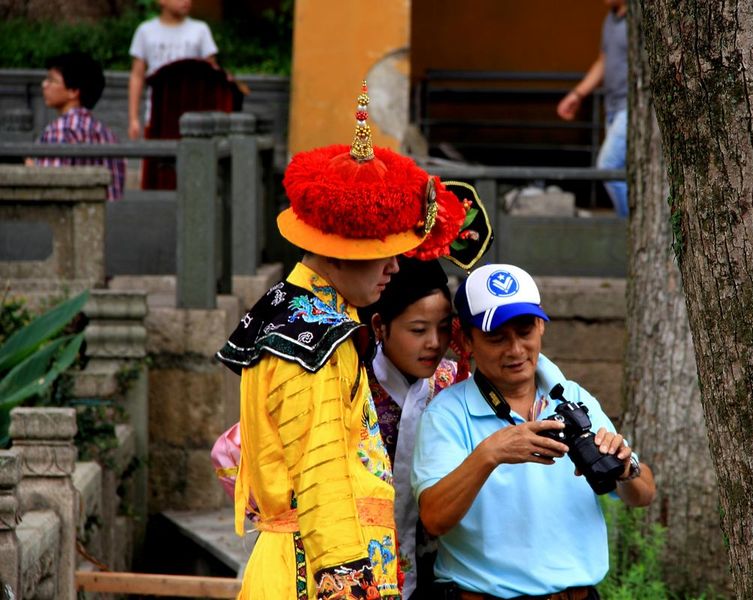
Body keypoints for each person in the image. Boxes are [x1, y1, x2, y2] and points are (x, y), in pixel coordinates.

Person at [215, 84, 466, 600]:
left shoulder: (294, 308)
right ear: (341, 250)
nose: (395, 268)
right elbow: (325, 485)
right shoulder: (314, 342)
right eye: (384, 253)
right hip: (316, 573)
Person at [411, 263, 656, 599]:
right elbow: (434, 519)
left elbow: (644, 494)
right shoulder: (447, 414)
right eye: (496, 337)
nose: (514, 350)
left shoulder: (574, 397)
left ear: (541, 325)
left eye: (524, 331)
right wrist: (490, 453)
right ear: (466, 340)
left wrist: (628, 468)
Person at [360, 257, 462, 600]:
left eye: (444, 327)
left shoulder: (455, 382)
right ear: (379, 326)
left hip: (441, 569)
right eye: (418, 330)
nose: (434, 342)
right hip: (362, 565)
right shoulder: (351, 387)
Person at [556, 0, 629, 217]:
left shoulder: (641, 19)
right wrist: (577, 94)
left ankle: (629, 225)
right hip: (613, 107)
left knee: (608, 166)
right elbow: (603, 61)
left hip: (631, 107)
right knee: (622, 170)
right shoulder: (611, 18)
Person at [31, 52, 125, 201]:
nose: (44, 84)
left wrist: (29, 164)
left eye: (52, 80)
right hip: (107, 219)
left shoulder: (60, 130)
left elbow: (48, 185)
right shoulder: (107, 134)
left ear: (73, 92)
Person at [127, 0, 218, 140]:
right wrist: (133, 118)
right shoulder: (145, 31)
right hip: (157, 114)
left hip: (194, 116)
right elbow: (137, 76)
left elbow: (213, 74)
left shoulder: (201, 30)